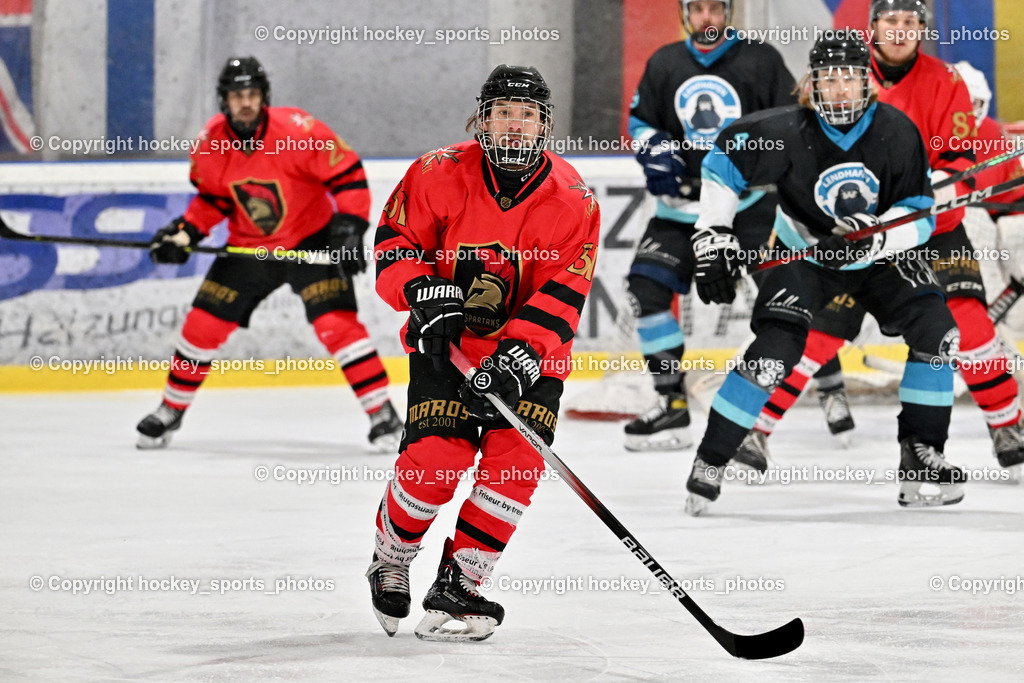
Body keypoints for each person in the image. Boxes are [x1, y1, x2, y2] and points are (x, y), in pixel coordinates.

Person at [735, 0, 1024, 473]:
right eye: (891, 20)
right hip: (855, 233)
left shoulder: (945, 82)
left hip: (932, 229)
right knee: (818, 334)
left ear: (921, 30)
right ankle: (755, 429)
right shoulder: (844, 75)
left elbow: (962, 158)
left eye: (911, 22)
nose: (901, 29)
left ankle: (1006, 423)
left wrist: (939, 190)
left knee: (967, 324)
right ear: (873, 28)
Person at [364, 65, 600, 642]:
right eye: (502, 113)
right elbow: (395, 245)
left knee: (513, 470)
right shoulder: (436, 172)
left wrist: (519, 356)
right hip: (449, 351)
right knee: (433, 466)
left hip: (531, 359)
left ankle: (462, 583)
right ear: (482, 118)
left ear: (544, 124)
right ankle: (392, 554)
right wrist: (422, 290)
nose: (514, 126)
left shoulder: (573, 199)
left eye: (526, 115)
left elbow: (564, 293)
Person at [685, 31, 964, 516]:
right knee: (773, 355)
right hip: (808, 257)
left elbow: (921, 214)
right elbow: (722, 160)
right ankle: (711, 459)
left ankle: (921, 455)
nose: (838, 90)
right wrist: (714, 235)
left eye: (849, 79)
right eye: (827, 79)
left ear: (866, 84)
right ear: (810, 84)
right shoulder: (786, 130)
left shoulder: (898, 132)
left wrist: (880, 237)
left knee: (937, 334)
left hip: (879, 258)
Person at [135, 56, 403, 452]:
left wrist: (348, 230)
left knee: (338, 326)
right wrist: (185, 232)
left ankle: (382, 413)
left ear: (264, 97)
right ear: (223, 100)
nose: (245, 103)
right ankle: (170, 409)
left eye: (252, 94)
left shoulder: (298, 130)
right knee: (201, 327)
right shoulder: (210, 144)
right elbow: (213, 201)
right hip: (249, 248)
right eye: (236, 95)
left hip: (312, 242)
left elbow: (347, 175)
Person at [622, 0, 796, 452]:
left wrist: (764, 161)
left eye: (715, 8)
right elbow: (641, 122)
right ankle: (671, 403)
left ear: (729, 12)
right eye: (697, 8)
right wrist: (656, 148)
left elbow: (793, 124)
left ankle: (826, 387)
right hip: (682, 208)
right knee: (645, 292)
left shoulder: (762, 59)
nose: (707, 18)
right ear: (685, 13)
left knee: (790, 297)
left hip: (750, 206)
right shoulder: (665, 62)